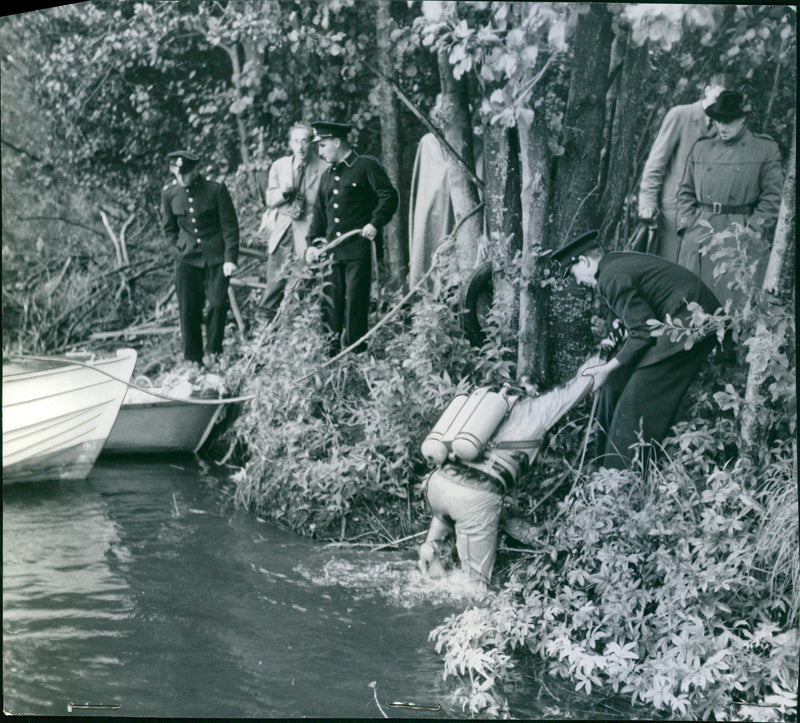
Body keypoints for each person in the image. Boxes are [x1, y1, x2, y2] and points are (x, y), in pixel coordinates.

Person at [543, 230, 721, 471]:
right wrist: (611, 362)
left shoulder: (609, 278)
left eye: (574, 275)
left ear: (584, 262)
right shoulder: (613, 265)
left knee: (635, 407)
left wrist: (606, 367)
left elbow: (642, 333)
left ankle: (621, 485)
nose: (578, 282)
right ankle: (601, 469)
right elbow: (639, 317)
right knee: (615, 383)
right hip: (680, 321)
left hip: (689, 327)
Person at [418, 358, 598, 587]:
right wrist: (601, 359)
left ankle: (430, 550)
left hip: (439, 483)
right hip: (475, 495)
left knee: (441, 535)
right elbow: (577, 387)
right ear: (537, 393)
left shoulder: (490, 403)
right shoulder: (536, 409)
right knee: (474, 586)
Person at [676, 90, 783, 307]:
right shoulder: (702, 147)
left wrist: (754, 228)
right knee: (694, 305)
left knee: (735, 305)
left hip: (739, 234)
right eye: (718, 120)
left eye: (729, 120)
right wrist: (687, 225)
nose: (722, 127)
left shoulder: (763, 149)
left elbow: (773, 195)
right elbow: (685, 191)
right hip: (701, 233)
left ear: (742, 118)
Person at [304, 120, 399, 354]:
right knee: (330, 303)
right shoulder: (327, 175)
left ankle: (356, 353)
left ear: (338, 142)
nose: (320, 151)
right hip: (332, 252)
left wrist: (375, 223)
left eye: (323, 145)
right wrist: (311, 245)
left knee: (356, 302)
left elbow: (389, 196)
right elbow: (319, 214)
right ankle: (331, 353)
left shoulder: (366, 165)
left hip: (358, 250)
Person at [638, 73, 734, 263]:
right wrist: (647, 203)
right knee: (669, 274)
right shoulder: (680, 115)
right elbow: (656, 163)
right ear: (707, 91)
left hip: (708, 219)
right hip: (673, 214)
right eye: (717, 97)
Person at [161, 150, 239, 368]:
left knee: (217, 304)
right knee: (188, 309)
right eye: (177, 174)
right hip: (186, 259)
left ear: (196, 170)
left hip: (216, 258)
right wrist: (175, 250)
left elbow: (230, 227)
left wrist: (230, 258)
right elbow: (169, 229)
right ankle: (194, 360)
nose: (181, 178)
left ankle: (214, 352)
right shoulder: (169, 195)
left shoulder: (216, 190)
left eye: (185, 173)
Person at [258, 123, 329, 321]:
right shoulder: (280, 166)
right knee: (274, 284)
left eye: (305, 141)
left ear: (312, 144)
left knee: (306, 284)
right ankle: (264, 333)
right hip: (283, 233)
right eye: (296, 141)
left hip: (308, 234)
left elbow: (326, 206)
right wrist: (283, 193)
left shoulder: (324, 168)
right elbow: (270, 200)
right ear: (290, 143)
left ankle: (301, 327)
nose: (301, 146)